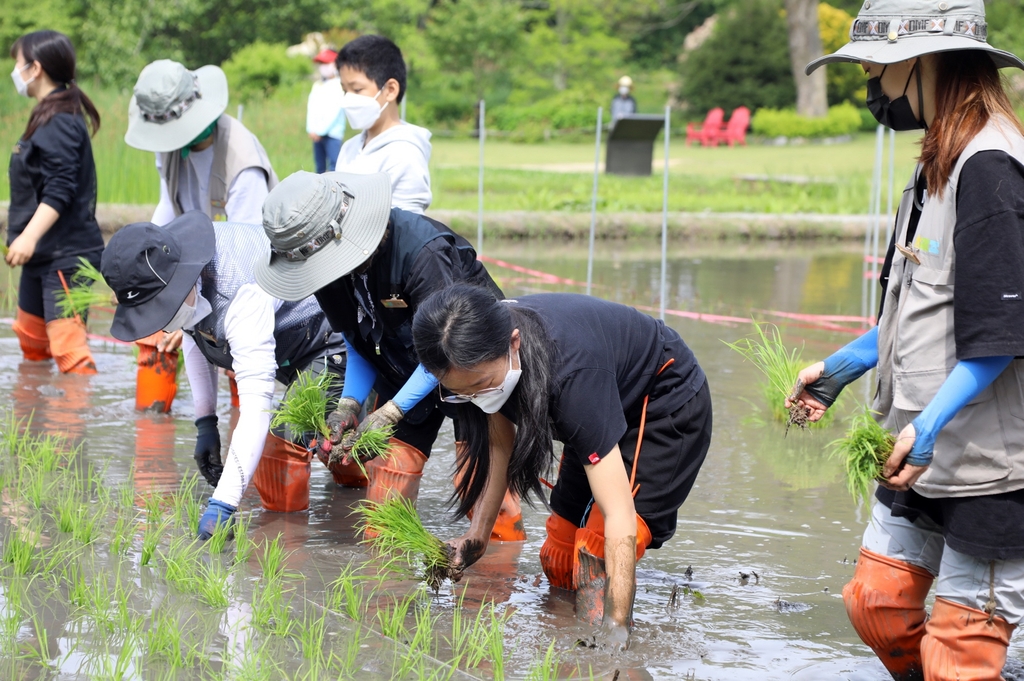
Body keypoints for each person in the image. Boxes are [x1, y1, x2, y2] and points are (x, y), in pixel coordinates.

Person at [791, 1, 1024, 677]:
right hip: (922, 447)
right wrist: (839, 368)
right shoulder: (936, 168)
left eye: (878, 70)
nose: (871, 88)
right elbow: (915, 314)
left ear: (930, 63)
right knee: (878, 602)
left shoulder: (992, 169)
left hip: (987, 465)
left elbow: (999, 335)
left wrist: (929, 425)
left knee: (962, 649)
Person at [410, 283, 712, 648]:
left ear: (514, 343)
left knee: (597, 551)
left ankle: (607, 653)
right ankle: (566, 644)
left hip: (662, 398)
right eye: (462, 392)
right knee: (560, 553)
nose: (475, 398)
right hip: (599, 397)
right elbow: (499, 446)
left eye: (481, 385)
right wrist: (477, 537)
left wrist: (616, 626)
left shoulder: (571, 377)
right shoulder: (485, 360)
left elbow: (619, 512)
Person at [254, 171, 525, 541]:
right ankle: (385, 592)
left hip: (473, 373)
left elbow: (445, 352)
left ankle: (494, 587)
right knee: (384, 504)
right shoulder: (326, 274)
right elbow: (356, 338)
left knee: (485, 494)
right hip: (401, 370)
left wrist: (392, 411)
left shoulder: (422, 254)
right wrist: (350, 403)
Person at [101, 212, 346, 539]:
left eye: (162, 308)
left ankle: (291, 546)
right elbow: (194, 333)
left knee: (281, 443)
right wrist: (206, 422)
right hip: (288, 345)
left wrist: (224, 504)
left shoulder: (241, 292)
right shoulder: (177, 267)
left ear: (179, 281)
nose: (162, 320)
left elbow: (257, 406)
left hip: (328, 340)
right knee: (309, 443)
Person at [124, 58, 280, 412]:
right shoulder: (169, 149)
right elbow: (169, 206)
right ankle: (195, 420)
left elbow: (248, 257)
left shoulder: (242, 161)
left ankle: (246, 440)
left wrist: (189, 309)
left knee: (246, 371)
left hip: (254, 281)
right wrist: (149, 275)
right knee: (176, 337)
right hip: (202, 262)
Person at [6, 30, 104, 375]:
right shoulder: (50, 113)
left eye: (18, 64)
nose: (14, 71)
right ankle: (34, 415)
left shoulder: (60, 120)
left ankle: (71, 424)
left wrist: (27, 237)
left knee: (69, 352)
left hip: (65, 256)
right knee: (33, 345)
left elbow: (60, 188)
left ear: (35, 68)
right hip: (41, 255)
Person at [333, 35, 432, 214]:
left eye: (357, 90)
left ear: (390, 90)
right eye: (344, 90)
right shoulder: (350, 148)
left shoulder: (405, 155)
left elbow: (407, 231)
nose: (349, 99)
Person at [307, 48, 346, 174]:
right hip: (316, 135)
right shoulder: (317, 85)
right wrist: (311, 129)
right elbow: (311, 108)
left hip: (333, 134)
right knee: (320, 169)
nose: (323, 67)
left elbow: (333, 112)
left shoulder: (340, 85)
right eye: (321, 64)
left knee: (335, 168)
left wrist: (321, 131)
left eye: (326, 63)